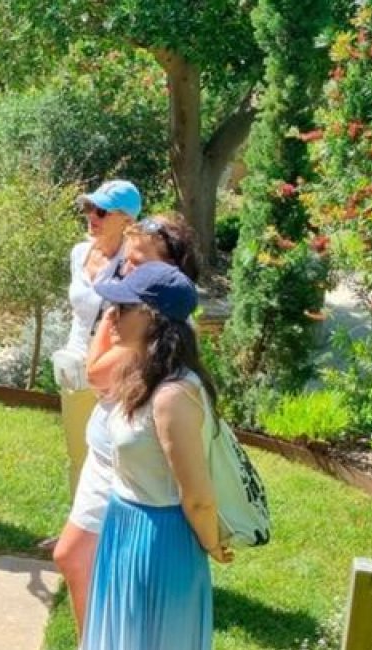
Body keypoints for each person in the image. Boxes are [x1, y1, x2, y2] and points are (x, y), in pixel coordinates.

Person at [51, 211, 204, 639]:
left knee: (76, 558)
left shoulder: (159, 330)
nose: (126, 271)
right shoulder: (134, 314)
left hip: (129, 468)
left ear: (170, 271)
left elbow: (96, 372)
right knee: (84, 562)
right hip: (109, 453)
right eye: (127, 261)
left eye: (139, 263)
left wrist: (113, 315)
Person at [84, 261, 230, 650]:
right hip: (124, 524)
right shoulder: (142, 373)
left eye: (123, 308)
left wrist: (212, 544)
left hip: (160, 542)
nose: (111, 315)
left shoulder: (173, 395)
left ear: (153, 319)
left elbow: (198, 498)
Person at [41, 180, 142, 547]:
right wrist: (72, 355)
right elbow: (80, 314)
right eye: (88, 208)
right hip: (75, 366)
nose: (91, 216)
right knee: (77, 453)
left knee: (113, 456)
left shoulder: (135, 262)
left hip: (114, 373)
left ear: (127, 220)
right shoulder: (79, 252)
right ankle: (76, 533)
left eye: (101, 211)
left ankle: (111, 539)